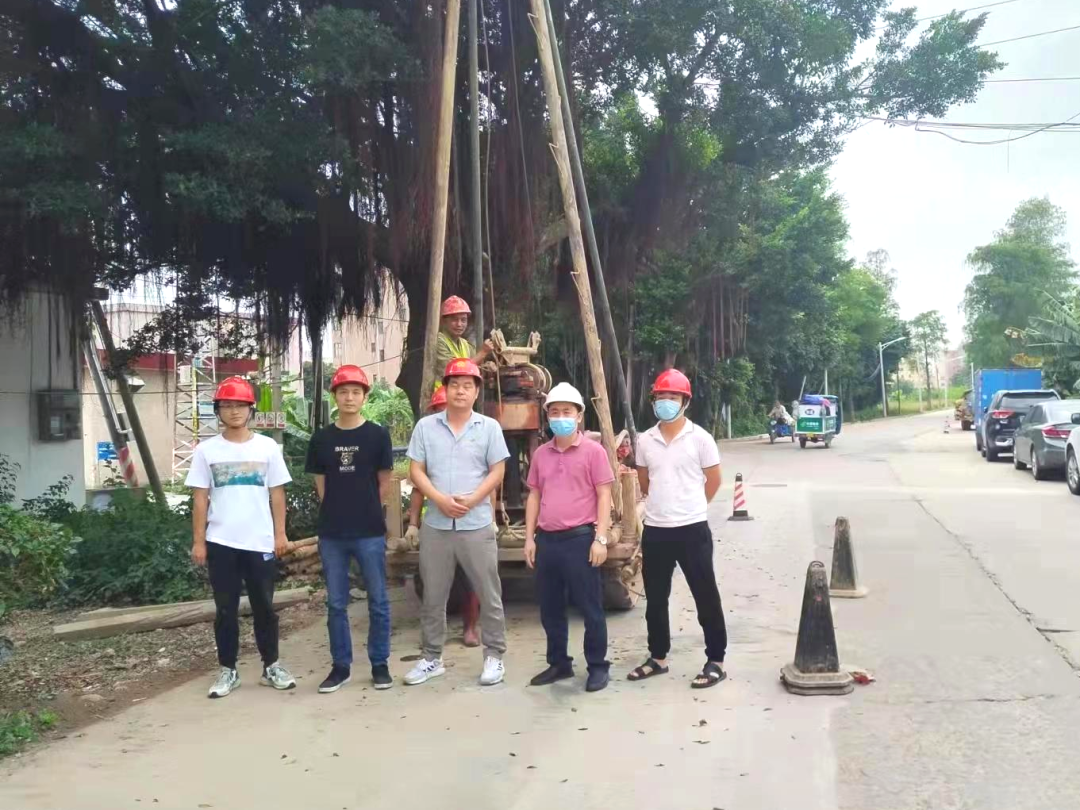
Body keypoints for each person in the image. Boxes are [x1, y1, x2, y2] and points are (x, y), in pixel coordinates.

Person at [186, 376, 296, 699]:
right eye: (227, 405)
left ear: (251, 409)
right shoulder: (206, 451)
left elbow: (277, 494)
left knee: (265, 607)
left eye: (240, 405)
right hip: (221, 542)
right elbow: (200, 499)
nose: (234, 411)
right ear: (218, 410)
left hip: (260, 541)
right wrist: (199, 541)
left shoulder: (267, 447)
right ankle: (228, 669)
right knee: (225, 609)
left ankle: (271, 666)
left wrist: (280, 534)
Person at [404, 358, 510, 687]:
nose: (460, 391)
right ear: (445, 389)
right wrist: (438, 499)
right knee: (433, 596)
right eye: (454, 385)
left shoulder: (489, 428)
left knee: (489, 593)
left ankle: (494, 656)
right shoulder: (426, 427)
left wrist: (474, 499)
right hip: (437, 525)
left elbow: (498, 470)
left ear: (476, 392)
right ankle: (431, 658)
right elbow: (416, 470)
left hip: (476, 524)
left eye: (467, 386)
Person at [628, 369, 727, 689]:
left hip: (692, 529)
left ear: (685, 401)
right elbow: (645, 482)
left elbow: (714, 480)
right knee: (656, 599)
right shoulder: (645, 440)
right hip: (656, 530)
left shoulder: (700, 438)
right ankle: (657, 657)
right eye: (661, 396)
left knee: (705, 595)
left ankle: (716, 660)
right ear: (653, 400)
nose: (666, 402)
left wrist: (692, 506)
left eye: (673, 397)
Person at [305, 364, 394, 694]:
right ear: (335, 396)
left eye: (356, 392)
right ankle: (340, 667)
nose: (350, 397)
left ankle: (380, 664)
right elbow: (321, 485)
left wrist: (365, 509)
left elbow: (384, 482)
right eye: (343, 392)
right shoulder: (322, 439)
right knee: (336, 604)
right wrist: (338, 509)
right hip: (332, 534)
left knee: (378, 600)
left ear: (364, 397)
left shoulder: (377, 435)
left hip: (369, 531)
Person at [524, 382, 614, 693]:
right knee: (550, 608)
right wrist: (529, 538)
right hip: (547, 541)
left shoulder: (594, 452)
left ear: (579, 416)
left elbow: (604, 495)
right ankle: (559, 663)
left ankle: (598, 666)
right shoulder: (541, 454)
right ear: (547, 416)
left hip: (580, 540)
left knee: (590, 607)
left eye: (567, 411)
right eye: (555, 412)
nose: (561, 417)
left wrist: (600, 539)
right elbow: (534, 495)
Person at [404, 385, 482, 648]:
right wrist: (413, 525)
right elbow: (417, 489)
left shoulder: (476, 439)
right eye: (439, 410)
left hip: (470, 522)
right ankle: (436, 633)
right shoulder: (427, 445)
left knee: (471, 577)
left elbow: (491, 482)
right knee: (434, 581)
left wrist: (492, 520)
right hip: (437, 524)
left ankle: (470, 628)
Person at [435, 296, 494, 373]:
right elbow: (454, 370)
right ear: (444, 321)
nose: (459, 324)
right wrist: (483, 353)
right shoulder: (438, 341)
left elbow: (473, 366)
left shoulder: (465, 344)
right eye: (454, 320)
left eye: (463, 320)